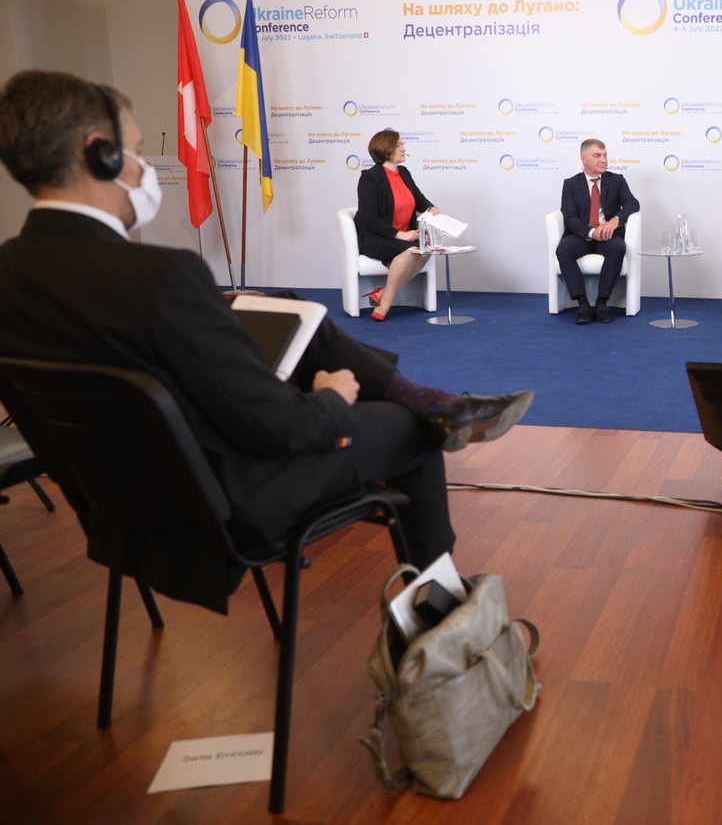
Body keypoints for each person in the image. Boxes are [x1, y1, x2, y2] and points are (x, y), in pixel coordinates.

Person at [0, 70, 533, 598]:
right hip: (228, 501)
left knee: (283, 306)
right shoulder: (163, 277)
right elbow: (278, 427)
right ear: (101, 154)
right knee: (407, 430)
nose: (144, 166)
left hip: (121, 505)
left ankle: (430, 401)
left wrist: (216, 309)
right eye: (138, 151)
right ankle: (442, 606)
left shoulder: (10, 275)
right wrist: (330, 399)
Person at [354, 130, 438, 321]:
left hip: (403, 236)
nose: (404, 149)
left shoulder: (404, 173)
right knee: (411, 251)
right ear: (386, 149)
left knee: (425, 251)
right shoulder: (370, 178)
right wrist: (400, 234)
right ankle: (386, 301)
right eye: (399, 145)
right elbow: (369, 219)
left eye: (402, 145)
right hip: (376, 237)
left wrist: (432, 209)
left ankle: (382, 293)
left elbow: (419, 199)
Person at [556, 139, 639, 324]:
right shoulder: (571, 184)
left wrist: (615, 220)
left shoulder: (616, 180)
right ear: (584, 159)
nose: (603, 160)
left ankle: (602, 303)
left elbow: (633, 203)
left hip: (608, 236)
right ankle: (583, 305)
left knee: (618, 248)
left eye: (605, 155)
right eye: (597, 156)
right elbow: (569, 217)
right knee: (563, 250)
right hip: (582, 235)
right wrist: (591, 232)